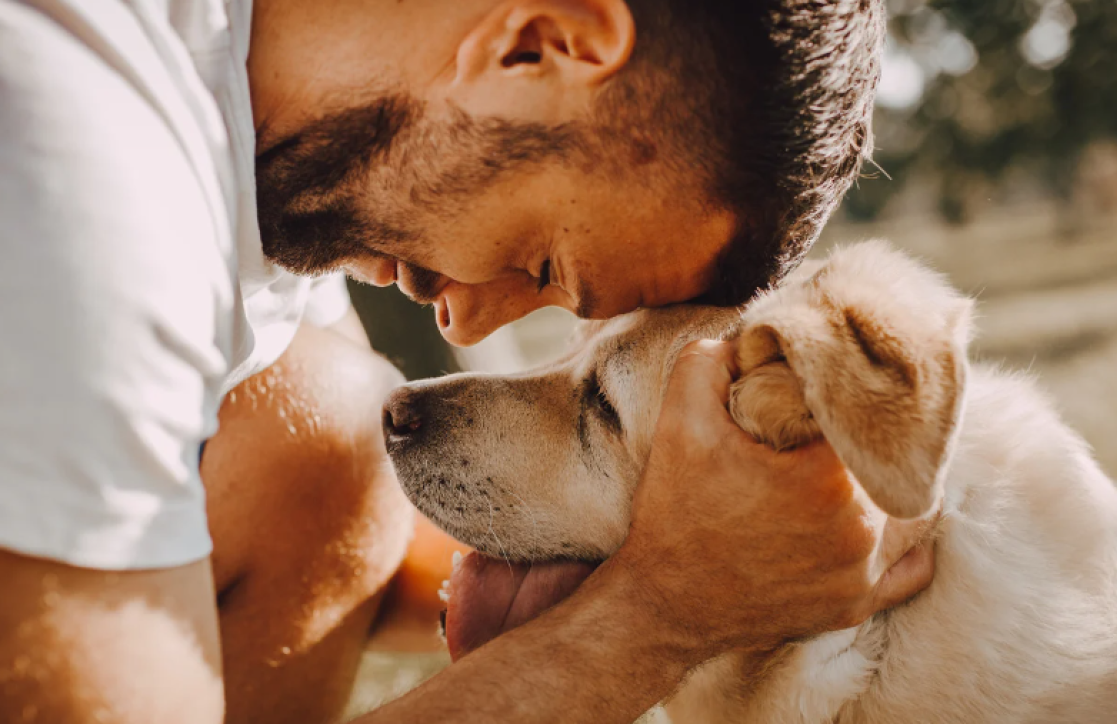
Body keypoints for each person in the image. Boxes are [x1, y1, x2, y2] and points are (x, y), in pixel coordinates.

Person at [0, 1, 934, 723]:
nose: (468, 321)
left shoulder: (259, 150)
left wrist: (725, 540)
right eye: (542, 262)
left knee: (327, 436)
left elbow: (359, 555)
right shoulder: (72, 167)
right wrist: (660, 616)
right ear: (541, 43)